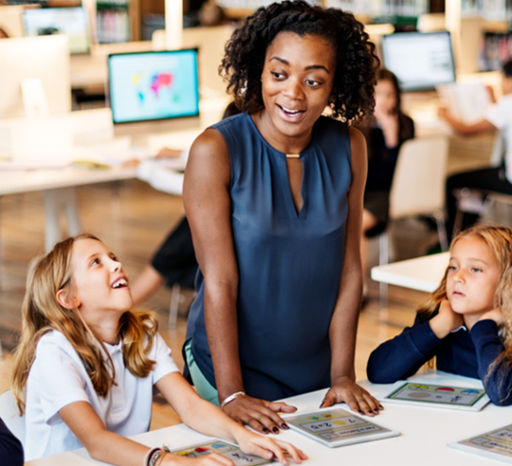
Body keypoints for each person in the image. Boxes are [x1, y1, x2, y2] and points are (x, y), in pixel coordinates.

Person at [182, 0, 382, 435]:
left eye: (313, 81)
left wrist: (342, 374)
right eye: (279, 74)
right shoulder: (215, 151)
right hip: (230, 368)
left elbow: (349, 270)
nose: (293, 93)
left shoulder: (349, 147)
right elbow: (219, 282)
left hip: (316, 370)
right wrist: (232, 392)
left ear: (335, 87)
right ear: (259, 71)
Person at [10, 234, 308, 463]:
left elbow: (190, 406)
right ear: (69, 298)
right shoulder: (54, 352)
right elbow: (97, 442)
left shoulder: (143, 334)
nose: (116, 264)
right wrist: (170, 462)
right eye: (96, 262)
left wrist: (242, 437)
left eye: (112, 257)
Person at [366, 225, 512, 406]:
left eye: (475, 269)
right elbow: (379, 371)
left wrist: (484, 327)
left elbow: (501, 392)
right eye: (453, 267)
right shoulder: (443, 321)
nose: (458, 277)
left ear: (508, 283)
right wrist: (435, 328)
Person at [131, 102, 241, 306]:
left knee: (189, 222)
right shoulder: (248, 161)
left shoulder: (225, 176)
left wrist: (143, 167)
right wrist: (181, 153)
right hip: (217, 251)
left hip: (212, 259)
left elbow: (190, 185)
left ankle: (125, 304)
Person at [438, 56, 512, 240]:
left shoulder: (508, 105)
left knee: (452, 181)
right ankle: (470, 222)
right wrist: (494, 101)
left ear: (511, 81)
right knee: (488, 175)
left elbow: (466, 131)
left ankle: (450, 238)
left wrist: (443, 114)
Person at [356, 68, 415, 274]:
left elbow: (393, 174)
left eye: (389, 95)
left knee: (355, 225)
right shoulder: (359, 125)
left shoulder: (404, 125)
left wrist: (392, 139)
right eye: (377, 93)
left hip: (382, 195)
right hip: (358, 191)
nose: (383, 101)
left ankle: (357, 288)